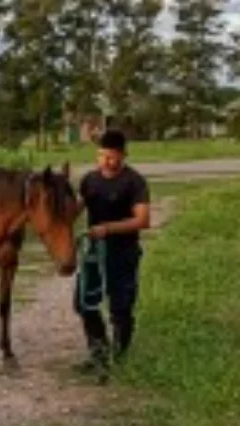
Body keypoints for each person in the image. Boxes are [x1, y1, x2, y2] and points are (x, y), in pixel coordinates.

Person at [72, 129, 151, 380]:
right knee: (85, 302)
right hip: (94, 253)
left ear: (123, 155)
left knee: (121, 307)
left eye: (112, 156)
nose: (106, 161)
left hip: (123, 252)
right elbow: (75, 210)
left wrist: (108, 229)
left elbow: (142, 220)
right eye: (102, 156)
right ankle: (98, 353)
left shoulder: (134, 182)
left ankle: (119, 357)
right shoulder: (89, 181)